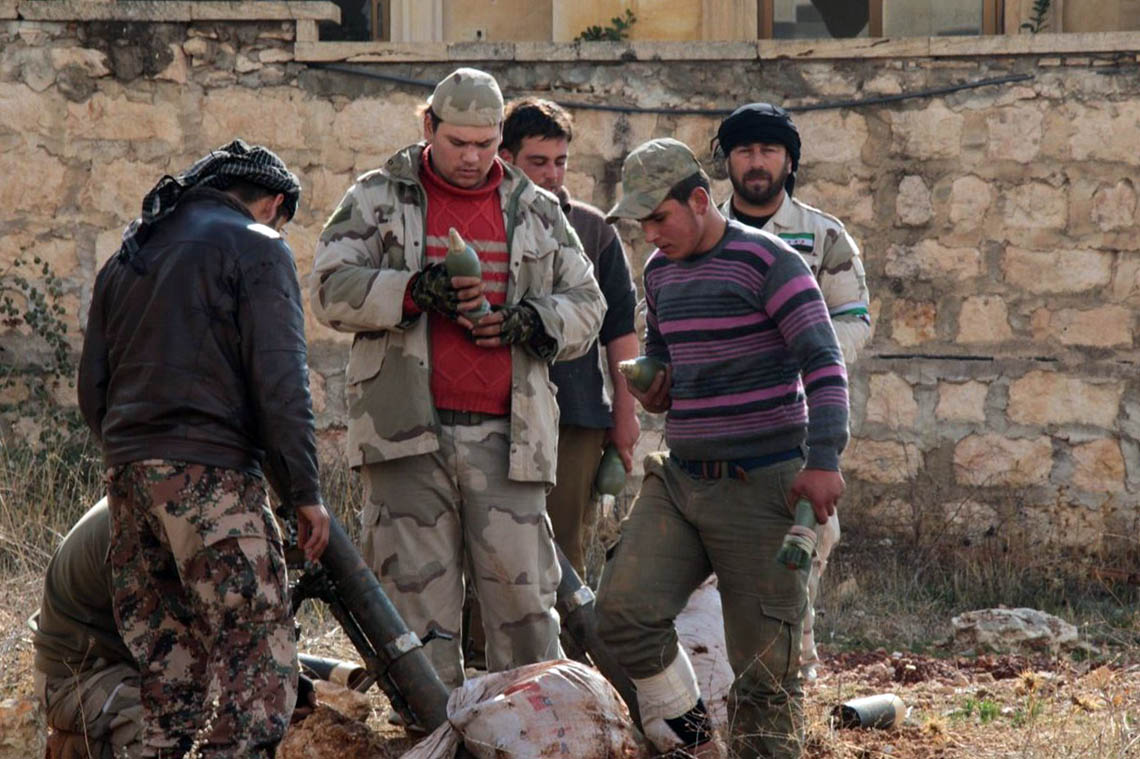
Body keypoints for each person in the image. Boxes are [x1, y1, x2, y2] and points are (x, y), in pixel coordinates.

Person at [310, 68, 605, 690]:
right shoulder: (377, 197)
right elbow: (329, 289)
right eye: (457, 143)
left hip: (509, 440)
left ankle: (530, 738)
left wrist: (532, 320)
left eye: (485, 143)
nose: (472, 158)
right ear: (428, 127)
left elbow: (588, 303)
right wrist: (413, 291)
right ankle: (431, 740)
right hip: (406, 439)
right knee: (418, 622)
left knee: (526, 613)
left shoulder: (535, 208)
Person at [595, 138, 849, 759]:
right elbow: (671, 368)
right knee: (621, 613)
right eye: (641, 222)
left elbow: (824, 362)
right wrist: (657, 389)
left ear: (701, 200)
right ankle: (697, 743)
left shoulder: (769, 262)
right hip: (681, 479)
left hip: (763, 481)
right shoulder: (659, 274)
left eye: (660, 217)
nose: (651, 234)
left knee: (766, 672)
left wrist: (824, 460)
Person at [77, 140, 330, 758]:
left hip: (129, 480)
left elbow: (92, 389)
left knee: (168, 675)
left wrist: (136, 455)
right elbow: (281, 383)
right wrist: (304, 492)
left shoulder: (128, 255)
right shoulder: (260, 247)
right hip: (212, 479)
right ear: (272, 203)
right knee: (255, 669)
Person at [714, 102, 871, 680]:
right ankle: (720, 684)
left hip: (798, 428)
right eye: (745, 151)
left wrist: (803, 354)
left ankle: (791, 682)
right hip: (717, 428)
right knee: (713, 564)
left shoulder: (823, 236)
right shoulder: (704, 232)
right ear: (727, 159)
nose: (757, 163)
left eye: (769, 151)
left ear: (789, 160)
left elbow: (855, 320)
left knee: (804, 551)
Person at [29, 499, 319, 759]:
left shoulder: (175, 508)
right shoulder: (135, 531)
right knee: (182, 736)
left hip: (125, 662)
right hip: (76, 679)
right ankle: (80, 746)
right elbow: (173, 658)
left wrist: (277, 678)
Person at [499, 97, 640, 577]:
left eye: (560, 161)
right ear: (506, 159)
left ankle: (566, 652)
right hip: (497, 412)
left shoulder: (592, 228)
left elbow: (620, 332)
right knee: (493, 555)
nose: (552, 174)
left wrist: (625, 417)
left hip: (576, 417)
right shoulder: (486, 223)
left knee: (562, 557)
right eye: (538, 162)